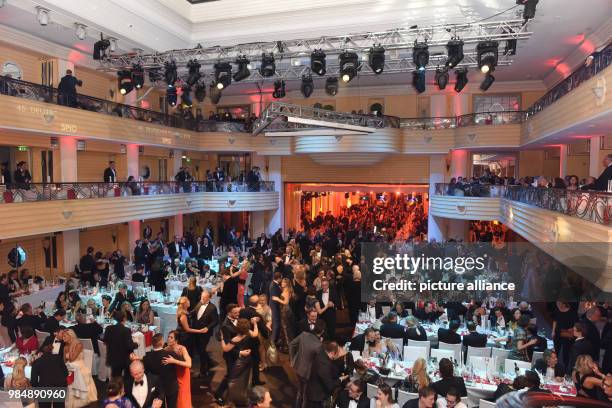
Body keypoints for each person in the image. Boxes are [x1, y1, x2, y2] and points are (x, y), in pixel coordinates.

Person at [226, 318, 259, 407]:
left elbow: (226, 349)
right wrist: (255, 323)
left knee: (233, 380)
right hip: (248, 360)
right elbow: (256, 333)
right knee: (245, 379)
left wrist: (222, 339)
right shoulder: (249, 333)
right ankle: (243, 398)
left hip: (239, 362)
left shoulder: (236, 338)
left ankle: (232, 399)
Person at [214, 304, 241, 406]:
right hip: (231, 355)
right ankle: (218, 393)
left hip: (238, 353)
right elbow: (227, 346)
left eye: (238, 312)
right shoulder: (225, 326)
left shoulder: (237, 319)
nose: (238, 314)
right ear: (229, 313)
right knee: (230, 375)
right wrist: (239, 352)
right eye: (235, 313)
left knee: (233, 375)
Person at [143, 333, 180, 408]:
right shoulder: (170, 354)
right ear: (162, 342)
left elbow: (146, 372)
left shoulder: (147, 356)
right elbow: (183, 362)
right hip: (171, 386)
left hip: (157, 387)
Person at [63, 328, 98, 406]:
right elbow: (64, 361)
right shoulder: (65, 346)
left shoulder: (78, 345)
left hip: (79, 365)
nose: (63, 338)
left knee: (74, 376)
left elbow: (72, 359)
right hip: (69, 365)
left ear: (70, 336)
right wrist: (66, 349)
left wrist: (69, 348)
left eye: (65, 336)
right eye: (63, 336)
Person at [190, 289, 219, 377]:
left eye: (204, 297)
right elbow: (194, 312)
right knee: (200, 350)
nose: (202, 299)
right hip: (196, 331)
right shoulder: (199, 303)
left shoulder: (212, 308)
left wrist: (207, 327)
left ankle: (203, 371)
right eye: (202, 297)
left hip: (205, 333)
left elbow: (215, 321)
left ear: (209, 298)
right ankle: (210, 363)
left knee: (201, 350)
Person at [306, 340, 343, 408]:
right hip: (316, 397)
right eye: (337, 353)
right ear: (332, 352)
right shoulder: (324, 365)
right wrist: (340, 380)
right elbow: (330, 385)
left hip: (312, 389)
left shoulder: (322, 354)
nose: (338, 355)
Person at [31, 343, 68, 408]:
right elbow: (66, 373)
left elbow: (34, 381)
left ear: (40, 353)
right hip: (59, 385)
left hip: (45, 387)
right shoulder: (58, 358)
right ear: (51, 351)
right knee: (59, 406)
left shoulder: (36, 362)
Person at [103, 310, 138, 378]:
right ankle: (127, 386)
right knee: (128, 377)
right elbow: (129, 346)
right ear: (124, 318)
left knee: (115, 377)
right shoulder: (126, 330)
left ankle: (115, 387)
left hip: (113, 357)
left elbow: (105, 341)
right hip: (124, 359)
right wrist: (136, 344)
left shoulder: (108, 328)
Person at [163, 330, 192, 408]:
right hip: (174, 375)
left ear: (176, 340)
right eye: (168, 337)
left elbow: (189, 364)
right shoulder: (167, 349)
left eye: (171, 337)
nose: (168, 339)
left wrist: (174, 361)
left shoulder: (182, 349)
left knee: (182, 397)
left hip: (183, 375)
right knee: (176, 397)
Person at [272, 277, 295, 352]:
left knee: (285, 328)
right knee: (284, 327)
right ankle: (285, 344)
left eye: (284, 283)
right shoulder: (284, 289)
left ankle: (287, 347)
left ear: (287, 284)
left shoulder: (287, 291)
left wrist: (277, 299)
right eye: (281, 282)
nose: (282, 283)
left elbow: (286, 302)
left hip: (285, 310)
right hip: (283, 310)